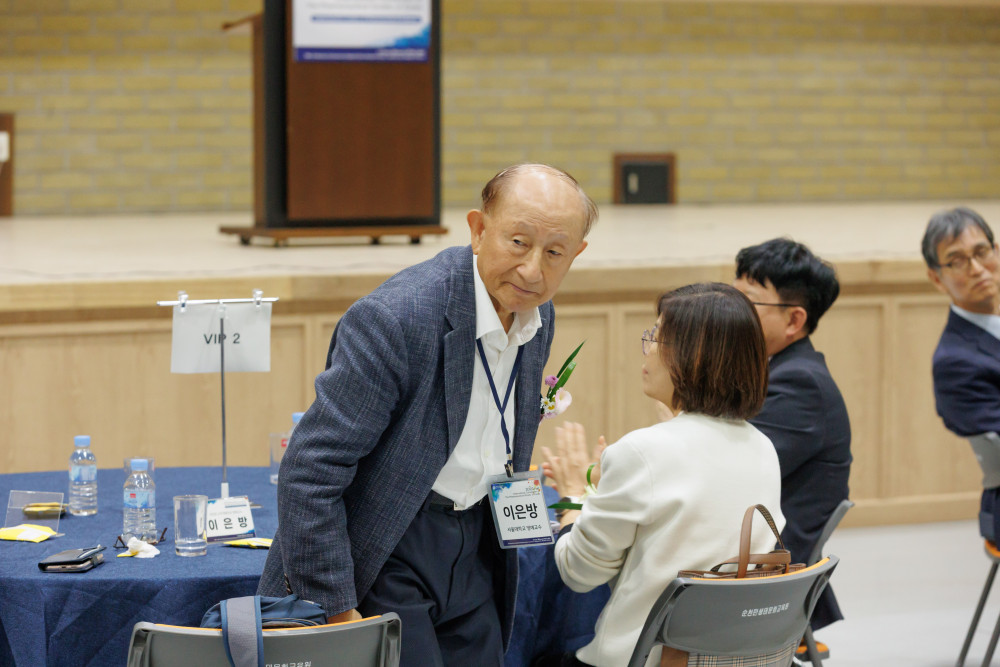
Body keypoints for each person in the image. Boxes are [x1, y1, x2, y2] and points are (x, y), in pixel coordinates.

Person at [257, 163, 597, 667]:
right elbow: (310, 470)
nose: (532, 270)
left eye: (554, 253)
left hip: (477, 546)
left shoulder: (537, 314)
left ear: (576, 254)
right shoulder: (398, 318)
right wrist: (336, 609)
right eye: (518, 243)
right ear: (478, 230)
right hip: (386, 546)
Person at [541, 283, 783, 667]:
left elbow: (580, 573)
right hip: (729, 655)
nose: (648, 349)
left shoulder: (642, 452)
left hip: (645, 658)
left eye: (657, 336)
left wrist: (574, 497)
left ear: (694, 356)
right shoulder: (763, 448)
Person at [732, 238, 851, 640]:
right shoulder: (775, 371)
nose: (731, 310)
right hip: (746, 553)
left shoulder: (800, 385)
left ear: (793, 320)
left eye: (747, 301)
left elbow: (731, 475)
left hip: (764, 577)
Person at [922, 207, 1000, 541]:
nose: (977, 269)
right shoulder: (955, 362)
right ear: (937, 277)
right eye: (957, 261)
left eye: (982, 252)